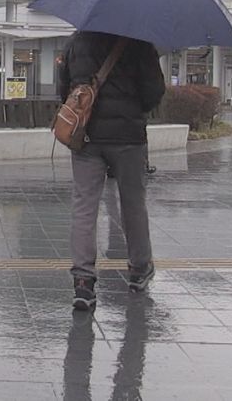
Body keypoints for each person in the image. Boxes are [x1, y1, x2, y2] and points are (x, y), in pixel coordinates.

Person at [57, 31, 165, 310]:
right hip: (128, 138)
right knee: (133, 205)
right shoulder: (141, 42)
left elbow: (64, 88)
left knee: (84, 206)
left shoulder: (77, 41)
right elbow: (154, 93)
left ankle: (83, 281)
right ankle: (139, 270)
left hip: (86, 136)